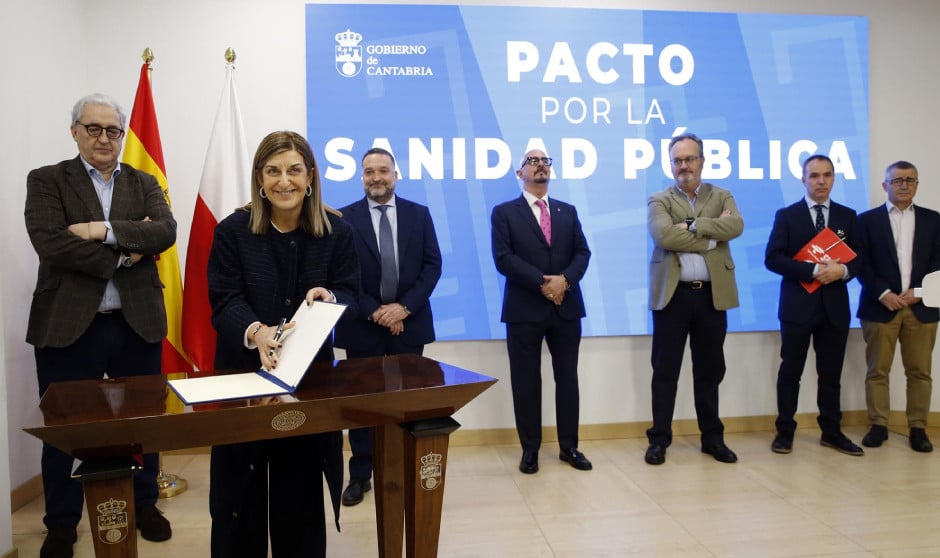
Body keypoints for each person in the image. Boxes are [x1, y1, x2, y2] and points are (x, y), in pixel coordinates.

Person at [24, 93, 175, 558]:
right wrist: (128, 252)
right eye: (94, 129)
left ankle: (145, 503)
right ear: (75, 132)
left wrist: (98, 229)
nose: (104, 138)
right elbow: (50, 243)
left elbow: (164, 231)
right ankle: (63, 523)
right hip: (68, 325)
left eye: (113, 130)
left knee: (143, 423)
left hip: (136, 323)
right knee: (66, 428)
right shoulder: (48, 180)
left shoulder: (145, 180)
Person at [206, 130, 360, 557]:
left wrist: (329, 298)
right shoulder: (233, 231)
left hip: (307, 387)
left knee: (300, 495)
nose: (284, 181)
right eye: (273, 171)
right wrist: (255, 331)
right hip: (242, 380)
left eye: (294, 170)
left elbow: (351, 289)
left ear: (310, 176)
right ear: (259, 177)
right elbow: (223, 298)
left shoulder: (336, 231)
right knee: (239, 496)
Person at [334, 147, 442, 505]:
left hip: (409, 325)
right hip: (363, 326)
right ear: (361, 177)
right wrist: (378, 312)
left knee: (406, 403)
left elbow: (432, 267)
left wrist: (403, 309)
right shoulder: (343, 219)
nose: (376, 177)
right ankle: (360, 474)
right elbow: (344, 276)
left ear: (396, 174)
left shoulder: (419, 214)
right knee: (362, 404)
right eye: (369, 171)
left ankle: (405, 469)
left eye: (383, 170)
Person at [491, 148, 593, 474]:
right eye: (532, 162)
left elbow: (582, 253)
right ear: (519, 173)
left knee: (568, 380)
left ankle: (569, 447)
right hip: (524, 310)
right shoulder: (504, 212)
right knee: (526, 382)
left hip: (566, 308)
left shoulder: (568, 210)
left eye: (545, 161)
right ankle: (530, 450)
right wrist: (543, 284)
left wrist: (564, 281)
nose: (540, 167)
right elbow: (504, 259)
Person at [645, 132, 744, 466]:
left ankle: (712, 439)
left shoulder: (722, 194)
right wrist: (710, 235)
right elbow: (663, 235)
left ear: (702, 160)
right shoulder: (659, 199)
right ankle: (659, 439)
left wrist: (690, 225)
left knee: (710, 370)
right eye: (677, 160)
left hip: (711, 297)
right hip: (672, 298)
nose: (683, 166)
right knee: (665, 371)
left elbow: (736, 227)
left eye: (689, 159)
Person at [765, 154, 864, 456]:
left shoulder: (848, 215)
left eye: (827, 175)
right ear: (803, 179)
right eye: (815, 175)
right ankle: (785, 432)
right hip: (797, 308)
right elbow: (772, 259)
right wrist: (812, 271)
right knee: (790, 372)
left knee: (831, 374)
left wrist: (843, 271)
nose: (821, 181)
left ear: (834, 178)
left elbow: (859, 258)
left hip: (834, 308)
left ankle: (832, 432)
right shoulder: (787, 215)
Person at [856, 161, 940, 453]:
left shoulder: (934, 220)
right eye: (897, 180)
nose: (903, 185)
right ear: (885, 186)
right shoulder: (865, 221)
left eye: (910, 180)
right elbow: (859, 263)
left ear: (917, 184)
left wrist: (920, 291)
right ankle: (878, 425)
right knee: (877, 371)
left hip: (922, 307)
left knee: (920, 372)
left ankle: (918, 428)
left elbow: (938, 263)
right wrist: (882, 292)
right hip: (881, 306)